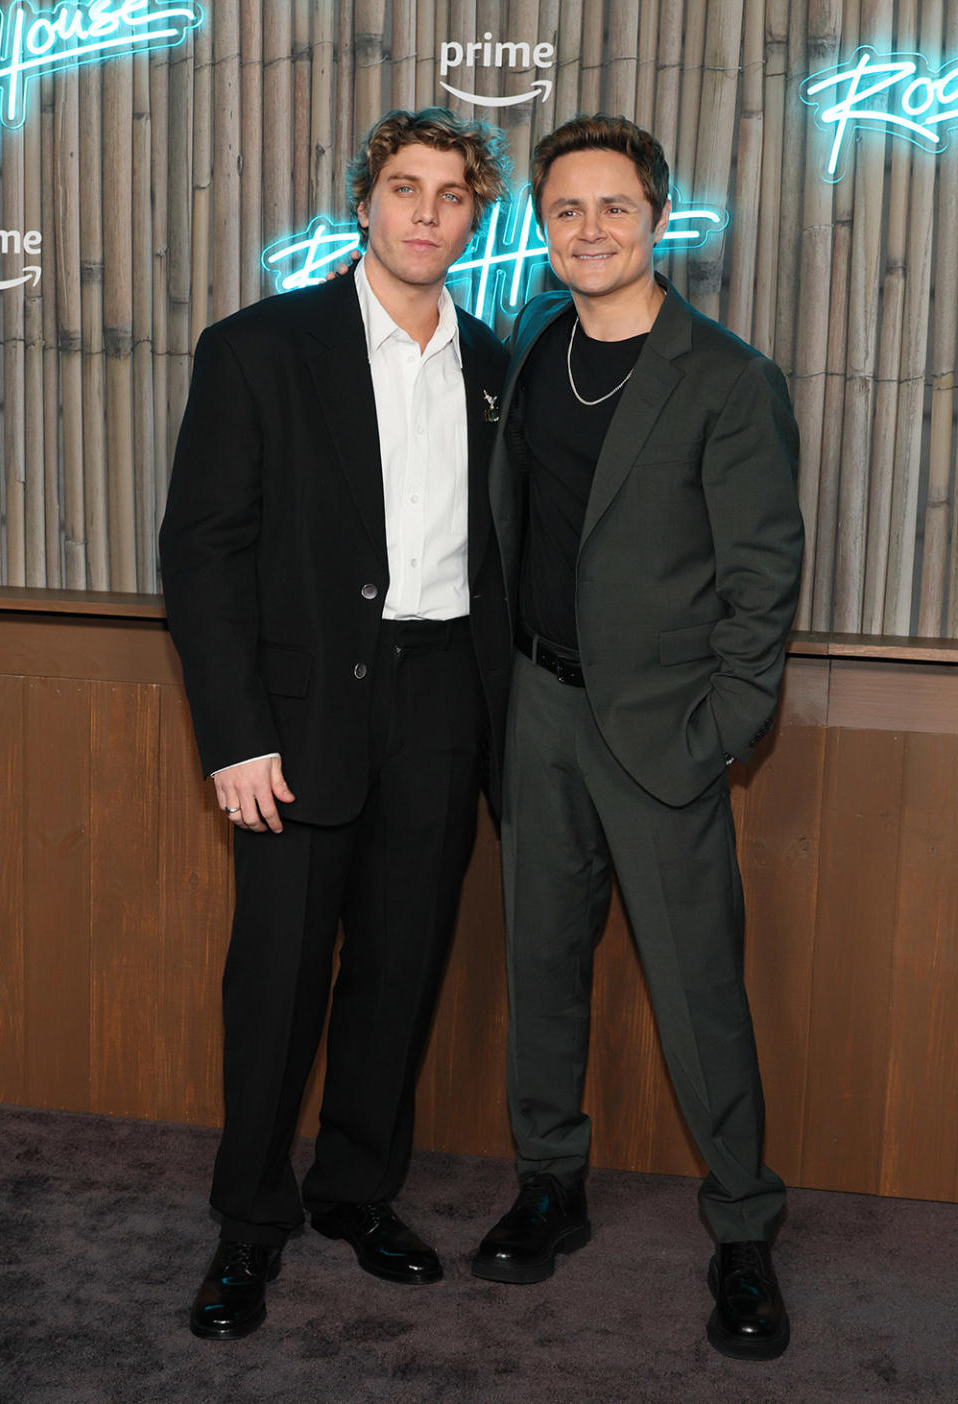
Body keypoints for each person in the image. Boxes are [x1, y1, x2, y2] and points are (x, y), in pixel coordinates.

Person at [159, 106, 511, 1340]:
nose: (426, 211)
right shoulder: (260, 346)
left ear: (477, 216)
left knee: (399, 971)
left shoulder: (501, 364)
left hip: (441, 702)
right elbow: (203, 554)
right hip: (298, 715)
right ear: (363, 202)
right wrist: (235, 733)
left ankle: (355, 1195)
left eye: (453, 193)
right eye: (404, 187)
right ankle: (246, 1227)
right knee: (278, 979)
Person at [471, 115, 804, 1362]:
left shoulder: (725, 376)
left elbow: (763, 579)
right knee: (542, 972)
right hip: (538, 714)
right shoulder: (533, 347)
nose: (591, 230)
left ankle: (745, 1233)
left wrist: (719, 732)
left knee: (700, 991)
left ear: (659, 219)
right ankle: (549, 1185)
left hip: (665, 735)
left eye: (616, 207)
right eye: (567, 211)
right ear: (542, 229)